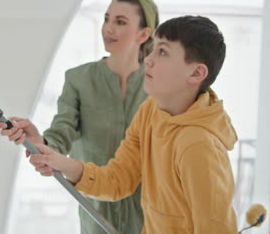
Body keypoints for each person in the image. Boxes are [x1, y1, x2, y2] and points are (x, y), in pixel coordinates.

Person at [28, 15, 238, 233]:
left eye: (163, 52)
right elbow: (118, 180)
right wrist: (63, 163)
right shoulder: (150, 112)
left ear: (196, 73)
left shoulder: (199, 145)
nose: (148, 59)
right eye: (153, 48)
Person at [0, 0, 158, 234]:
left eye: (120, 21)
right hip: (95, 214)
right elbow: (61, 133)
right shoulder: (79, 80)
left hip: (152, 217)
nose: (108, 28)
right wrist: (39, 141)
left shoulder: (159, 87)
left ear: (143, 34)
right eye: (106, 19)